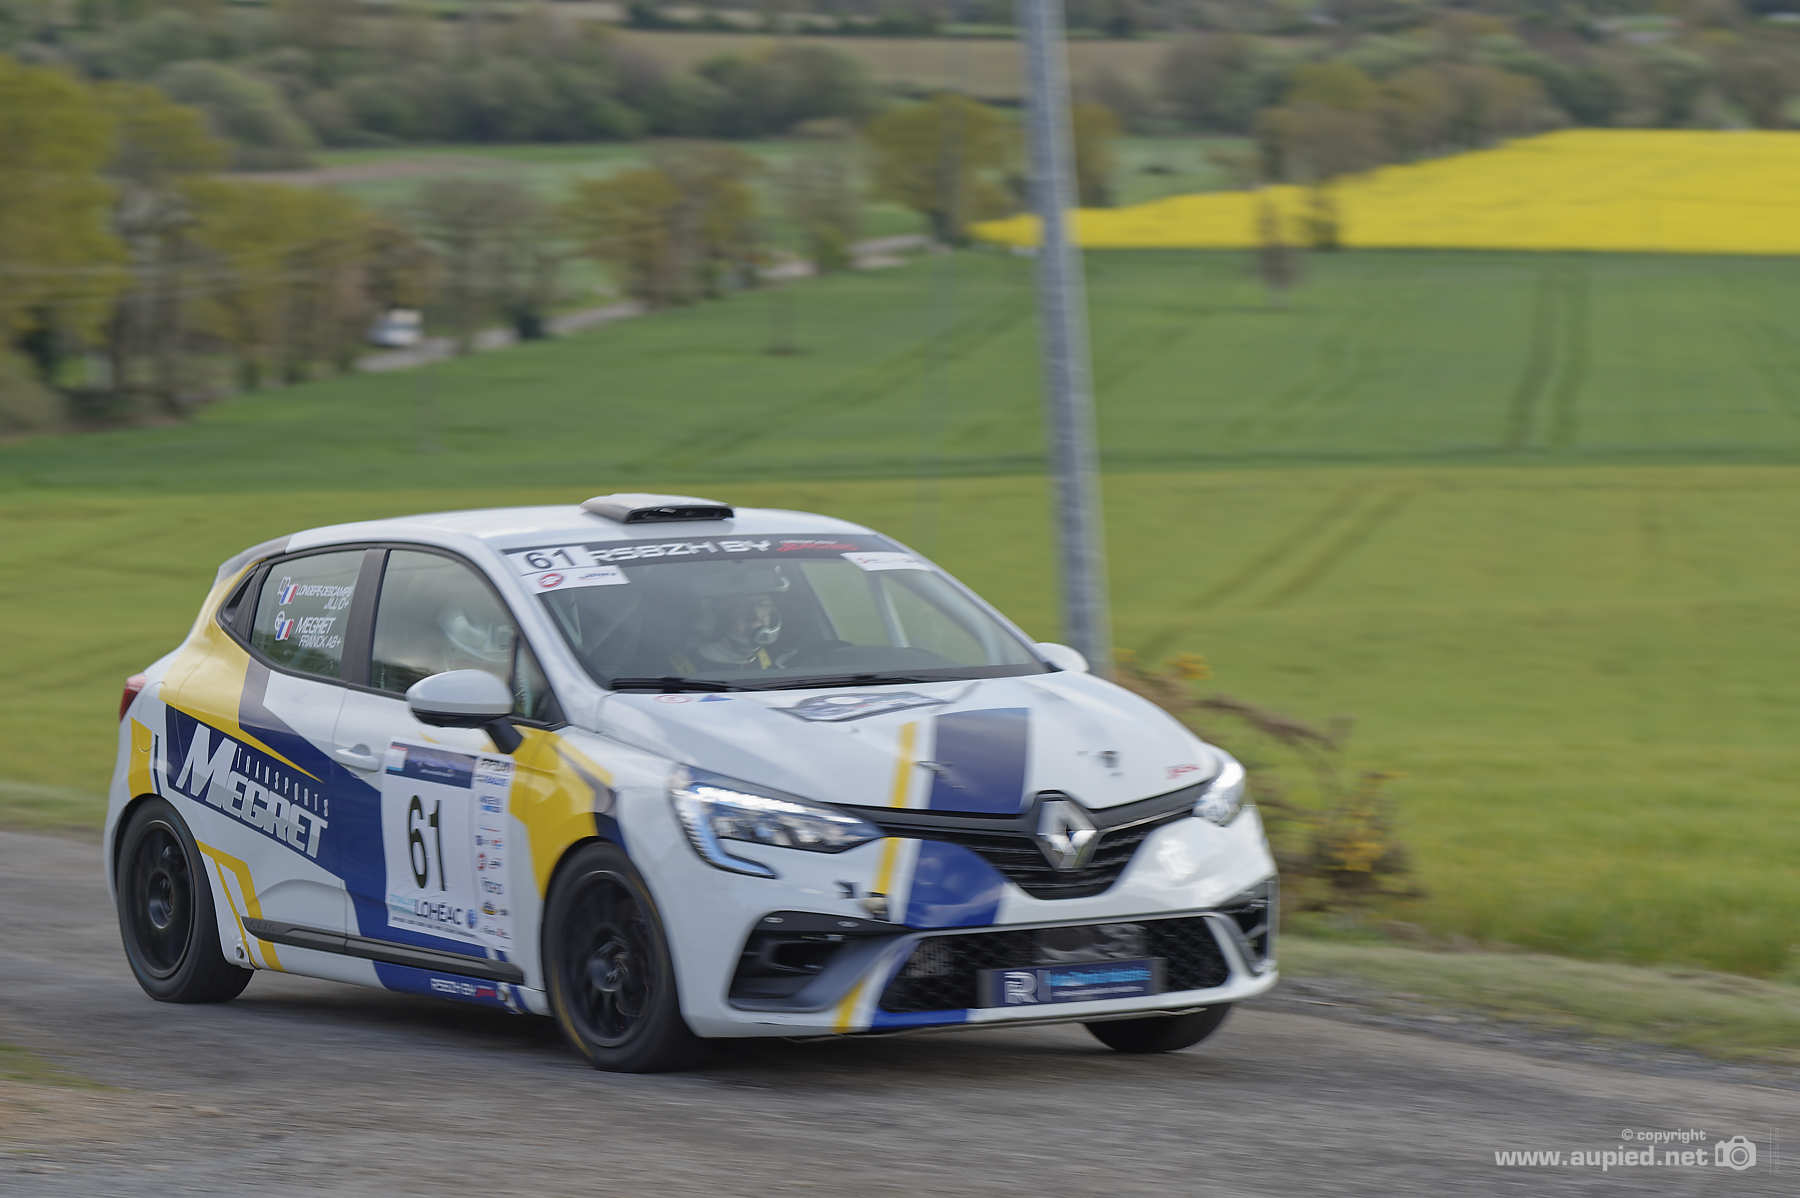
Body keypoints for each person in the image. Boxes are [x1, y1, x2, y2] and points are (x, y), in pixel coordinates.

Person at [672, 566, 791, 674]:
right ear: (715, 617)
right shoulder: (679, 669)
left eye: (763, 605)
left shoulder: (780, 659)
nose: (756, 618)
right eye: (742, 608)